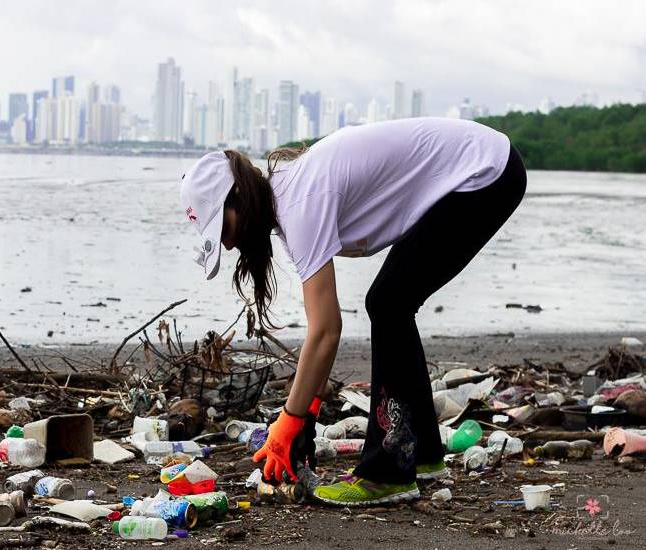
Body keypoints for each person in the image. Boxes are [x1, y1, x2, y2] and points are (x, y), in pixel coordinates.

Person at [179, 117, 527, 506]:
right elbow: (323, 331)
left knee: (389, 303)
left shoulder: (299, 202)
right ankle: (423, 453)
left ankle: (388, 473)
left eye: (223, 230)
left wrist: (289, 422)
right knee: (391, 302)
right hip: (484, 167)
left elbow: (326, 330)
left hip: (483, 173)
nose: (227, 246)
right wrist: (307, 411)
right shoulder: (289, 199)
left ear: (238, 194)